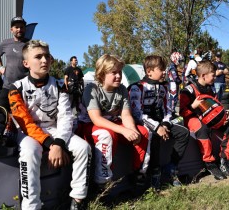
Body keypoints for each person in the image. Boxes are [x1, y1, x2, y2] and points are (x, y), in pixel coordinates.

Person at [8, 40, 91, 210]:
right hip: (28, 133)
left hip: (55, 129)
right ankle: (31, 206)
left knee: (83, 147)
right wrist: (51, 144)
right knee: (30, 151)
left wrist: (59, 142)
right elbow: (25, 123)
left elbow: (66, 116)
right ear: (26, 63)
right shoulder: (16, 88)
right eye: (38, 57)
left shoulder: (60, 85)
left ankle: (78, 199)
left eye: (47, 56)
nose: (44, 60)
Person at [80, 54, 150, 189]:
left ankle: (138, 174)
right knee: (106, 135)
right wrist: (124, 130)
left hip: (113, 123)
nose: (118, 76)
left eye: (119, 72)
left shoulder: (122, 89)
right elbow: (96, 119)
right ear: (101, 74)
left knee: (143, 132)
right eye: (114, 73)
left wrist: (132, 130)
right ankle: (102, 183)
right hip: (90, 125)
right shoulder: (92, 88)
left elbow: (126, 114)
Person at [128, 55, 190, 191]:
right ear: (149, 71)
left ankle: (171, 168)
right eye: (161, 69)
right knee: (153, 137)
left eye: (164, 69)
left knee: (184, 133)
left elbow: (169, 109)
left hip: (161, 123)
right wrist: (157, 127)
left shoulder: (164, 87)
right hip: (144, 124)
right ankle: (152, 175)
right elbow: (137, 114)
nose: (164, 72)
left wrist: (166, 125)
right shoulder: (136, 88)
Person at [180, 60, 229, 180]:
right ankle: (209, 163)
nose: (215, 76)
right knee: (203, 128)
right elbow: (182, 113)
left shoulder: (210, 89)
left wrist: (224, 114)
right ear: (203, 75)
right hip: (192, 118)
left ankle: (223, 161)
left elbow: (216, 106)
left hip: (210, 118)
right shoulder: (188, 90)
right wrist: (193, 106)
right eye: (213, 74)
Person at [0, 16, 29, 111]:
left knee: (23, 116)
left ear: (25, 29)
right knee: (0, 113)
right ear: (11, 29)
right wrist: (0, 67)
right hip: (7, 86)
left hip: (25, 87)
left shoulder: (30, 44)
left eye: (21, 27)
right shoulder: (5, 43)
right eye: (16, 27)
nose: (19, 29)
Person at [167, 51, 184, 116]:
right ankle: (171, 112)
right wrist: (179, 81)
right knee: (173, 99)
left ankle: (172, 112)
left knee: (174, 99)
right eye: (179, 60)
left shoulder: (173, 67)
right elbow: (175, 78)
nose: (179, 62)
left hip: (173, 85)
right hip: (172, 85)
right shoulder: (172, 67)